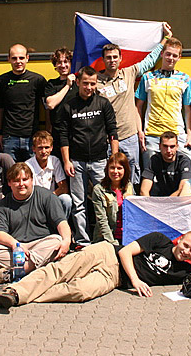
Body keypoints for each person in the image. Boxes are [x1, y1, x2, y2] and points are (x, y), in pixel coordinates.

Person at [0, 230, 191, 309]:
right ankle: (14, 292)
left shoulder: (184, 270)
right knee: (60, 271)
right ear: (179, 240)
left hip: (114, 278)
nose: (186, 251)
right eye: (185, 245)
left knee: (79, 292)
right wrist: (136, 280)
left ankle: (23, 293)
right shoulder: (160, 239)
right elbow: (125, 252)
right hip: (107, 253)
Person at [97, 24, 170, 186]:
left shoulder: (128, 73)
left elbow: (150, 61)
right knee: (109, 178)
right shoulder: (95, 81)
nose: (112, 60)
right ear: (103, 60)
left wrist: (165, 39)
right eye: (108, 57)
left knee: (132, 178)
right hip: (107, 139)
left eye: (115, 57)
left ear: (120, 58)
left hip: (129, 136)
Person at [58, 65, 119, 248]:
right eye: (85, 83)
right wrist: (66, 161)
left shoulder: (103, 104)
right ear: (78, 82)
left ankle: (106, 239)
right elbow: (63, 136)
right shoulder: (68, 106)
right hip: (76, 162)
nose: (89, 87)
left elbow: (113, 131)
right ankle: (82, 241)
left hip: (101, 161)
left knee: (107, 200)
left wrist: (114, 159)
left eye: (92, 84)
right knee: (79, 204)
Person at [0, 163, 71, 284]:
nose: (21, 184)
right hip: (17, 247)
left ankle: (18, 272)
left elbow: (61, 222)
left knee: (57, 241)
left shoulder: (46, 196)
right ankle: (40, 266)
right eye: (16, 181)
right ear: (9, 183)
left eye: (25, 179)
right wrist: (15, 245)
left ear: (32, 180)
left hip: (41, 243)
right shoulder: (3, 204)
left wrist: (67, 241)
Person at [135, 37, 191, 169]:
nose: (171, 58)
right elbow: (138, 107)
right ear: (162, 54)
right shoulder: (147, 77)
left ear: (179, 57)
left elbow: (187, 109)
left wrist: (189, 134)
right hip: (152, 134)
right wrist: (140, 131)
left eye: (175, 55)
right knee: (151, 173)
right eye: (168, 54)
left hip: (177, 133)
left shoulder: (185, 79)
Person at [0, 43, 46, 163]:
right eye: (14, 58)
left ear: (27, 58)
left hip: (32, 137)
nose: (18, 61)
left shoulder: (38, 80)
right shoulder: (0, 81)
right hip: (9, 137)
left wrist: (47, 130)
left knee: (32, 172)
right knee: (10, 172)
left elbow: (46, 107)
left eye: (21, 58)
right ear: (8, 59)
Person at [25, 131, 72, 218]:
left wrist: (49, 198)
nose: (44, 151)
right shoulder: (27, 165)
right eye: (40, 148)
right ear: (33, 149)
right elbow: (27, 192)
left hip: (52, 199)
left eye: (46, 147)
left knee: (66, 199)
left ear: (51, 148)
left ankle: (62, 224)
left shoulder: (55, 161)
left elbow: (64, 188)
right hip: (34, 202)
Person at [92, 152, 134, 245]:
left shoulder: (129, 187)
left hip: (127, 237)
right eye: (112, 168)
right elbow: (102, 220)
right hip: (107, 239)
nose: (115, 171)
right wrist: (113, 243)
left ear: (125, 170)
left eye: (119, 168)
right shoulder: (99, 190)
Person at [43, 47, 77, 156]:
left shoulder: (80, 83)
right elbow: (50, 104)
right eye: (59, 62)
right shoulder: (51, 84)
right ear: (55, 65)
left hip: (76, 131)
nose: (63, 65)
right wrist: (67, 85)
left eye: (66, 62)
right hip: (58, 132)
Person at [139, 131, 191, 197]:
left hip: (178, 199)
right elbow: (144, 190)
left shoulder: (184, 161)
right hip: (159, 198)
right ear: (159, 146)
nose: (168, 150)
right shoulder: (154, 160)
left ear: (177, 147)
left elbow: (182, 188)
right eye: (165, 146)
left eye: (172, 146)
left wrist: (167, 202)